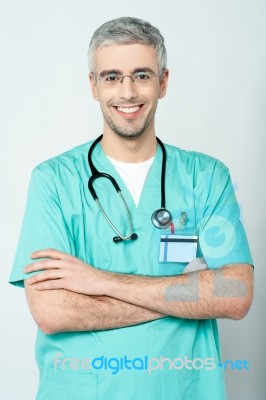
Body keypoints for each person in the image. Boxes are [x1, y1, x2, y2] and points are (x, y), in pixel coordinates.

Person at [9, 16, 254, 400]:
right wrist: (185, 295)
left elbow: (235, 293)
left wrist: (99, 282)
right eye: (111, 76)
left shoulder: (206, 177)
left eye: (142, 74)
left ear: (164, 82)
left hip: (183, 390)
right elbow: (53, 311)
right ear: (93, 86)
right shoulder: (53, 180)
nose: (127, 92)